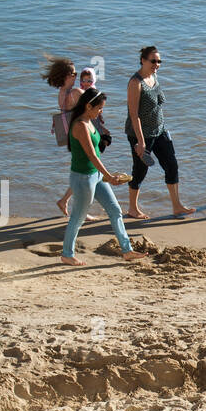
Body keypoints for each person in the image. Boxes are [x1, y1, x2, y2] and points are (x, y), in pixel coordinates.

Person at [61, 89, 139, 268]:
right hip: (83, 178)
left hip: (95, 176)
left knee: (115, 210)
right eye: (99, 108)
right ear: (88, 106)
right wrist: (109, 176)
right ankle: (67, 254)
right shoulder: (80, 125)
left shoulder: (89, 120)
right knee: (78, 218)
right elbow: (91, 156)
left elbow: (97, 151)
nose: (101, 111)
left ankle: (126, 251)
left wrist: (106, 175)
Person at [125, 46, 195, 221]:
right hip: (140, 134)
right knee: (140, 170)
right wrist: (140, 142)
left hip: (160, 130)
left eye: (159, 61)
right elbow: (134, 115)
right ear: (143, 60)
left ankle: (177, 206)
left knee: (172, 165)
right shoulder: (135, 82)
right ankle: (132, 209)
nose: (156, 64)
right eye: (153, 61)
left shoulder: (153, 76)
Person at [42, 56, 90, 219]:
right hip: (82, 136)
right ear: (66, 76)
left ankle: (67, 202)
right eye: (74, 74)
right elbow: (93, 105)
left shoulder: (62, 93)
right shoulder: (76, 93)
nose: (76, 77)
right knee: (86, 172)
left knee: (83, 172)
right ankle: (74, 206)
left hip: (72, 137)